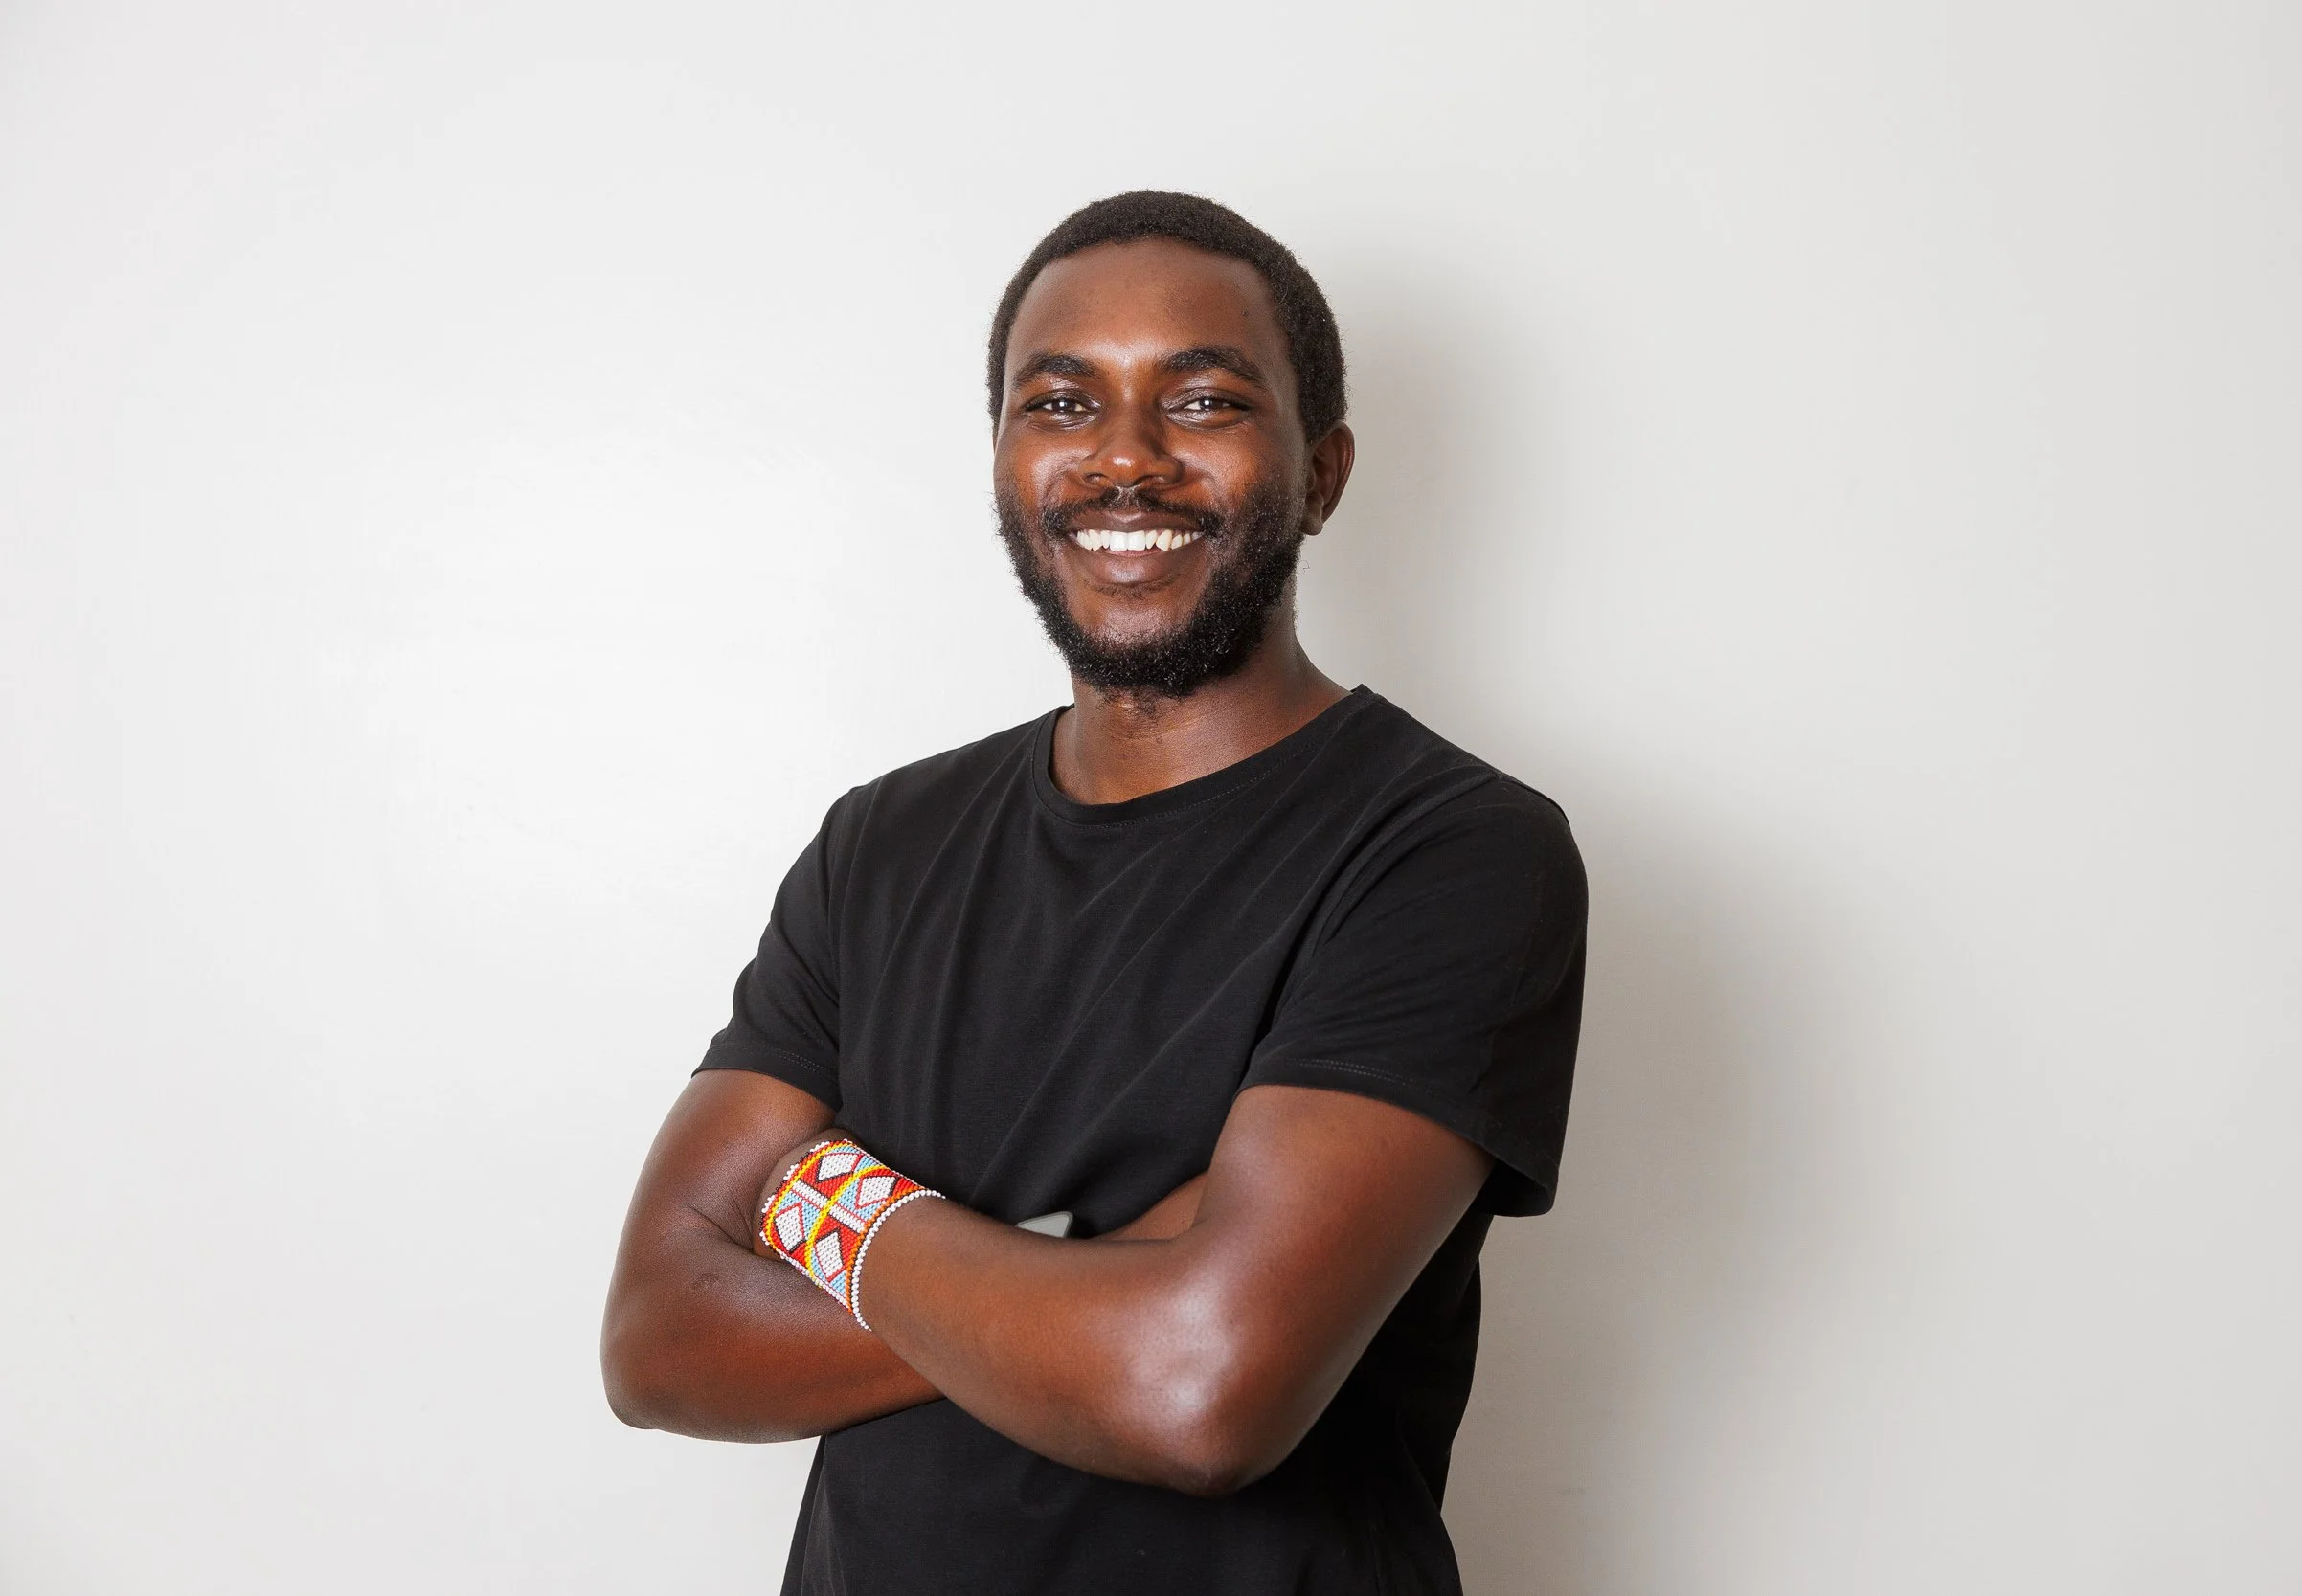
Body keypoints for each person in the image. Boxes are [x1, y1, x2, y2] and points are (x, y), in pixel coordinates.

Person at [601, 191, 1587, 1596]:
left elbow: (1198, 1387)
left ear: (1322, 473)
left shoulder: (1451, 849)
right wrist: (1107, 1275)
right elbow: (657, 1336)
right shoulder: (879, 844)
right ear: (1007, 461)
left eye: (1203, 401)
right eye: (1061, 405)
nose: (1124, 457)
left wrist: (822, 1202)